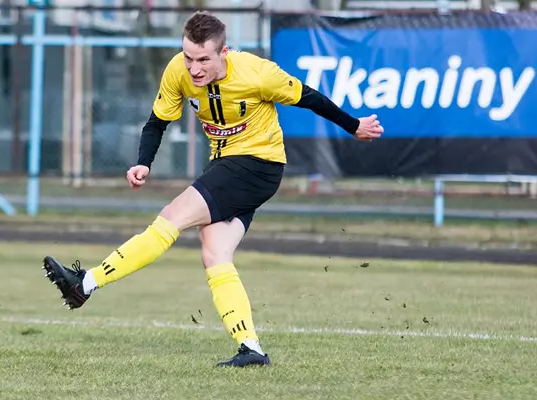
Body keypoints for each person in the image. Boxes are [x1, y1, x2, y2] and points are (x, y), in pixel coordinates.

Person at [41, 10, 384, 368]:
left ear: (224, 52)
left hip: (259, 164)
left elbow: (309, 97)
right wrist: (144, 162)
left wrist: (354, 125)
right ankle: (251, 347)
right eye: (188, 57)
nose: (194, 68)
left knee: (171, 217)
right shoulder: (178, 71)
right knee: (215, 253)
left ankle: (86, 283)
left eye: (203, 59)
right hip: (224, 165)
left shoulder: (257, 72)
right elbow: (157, 122)